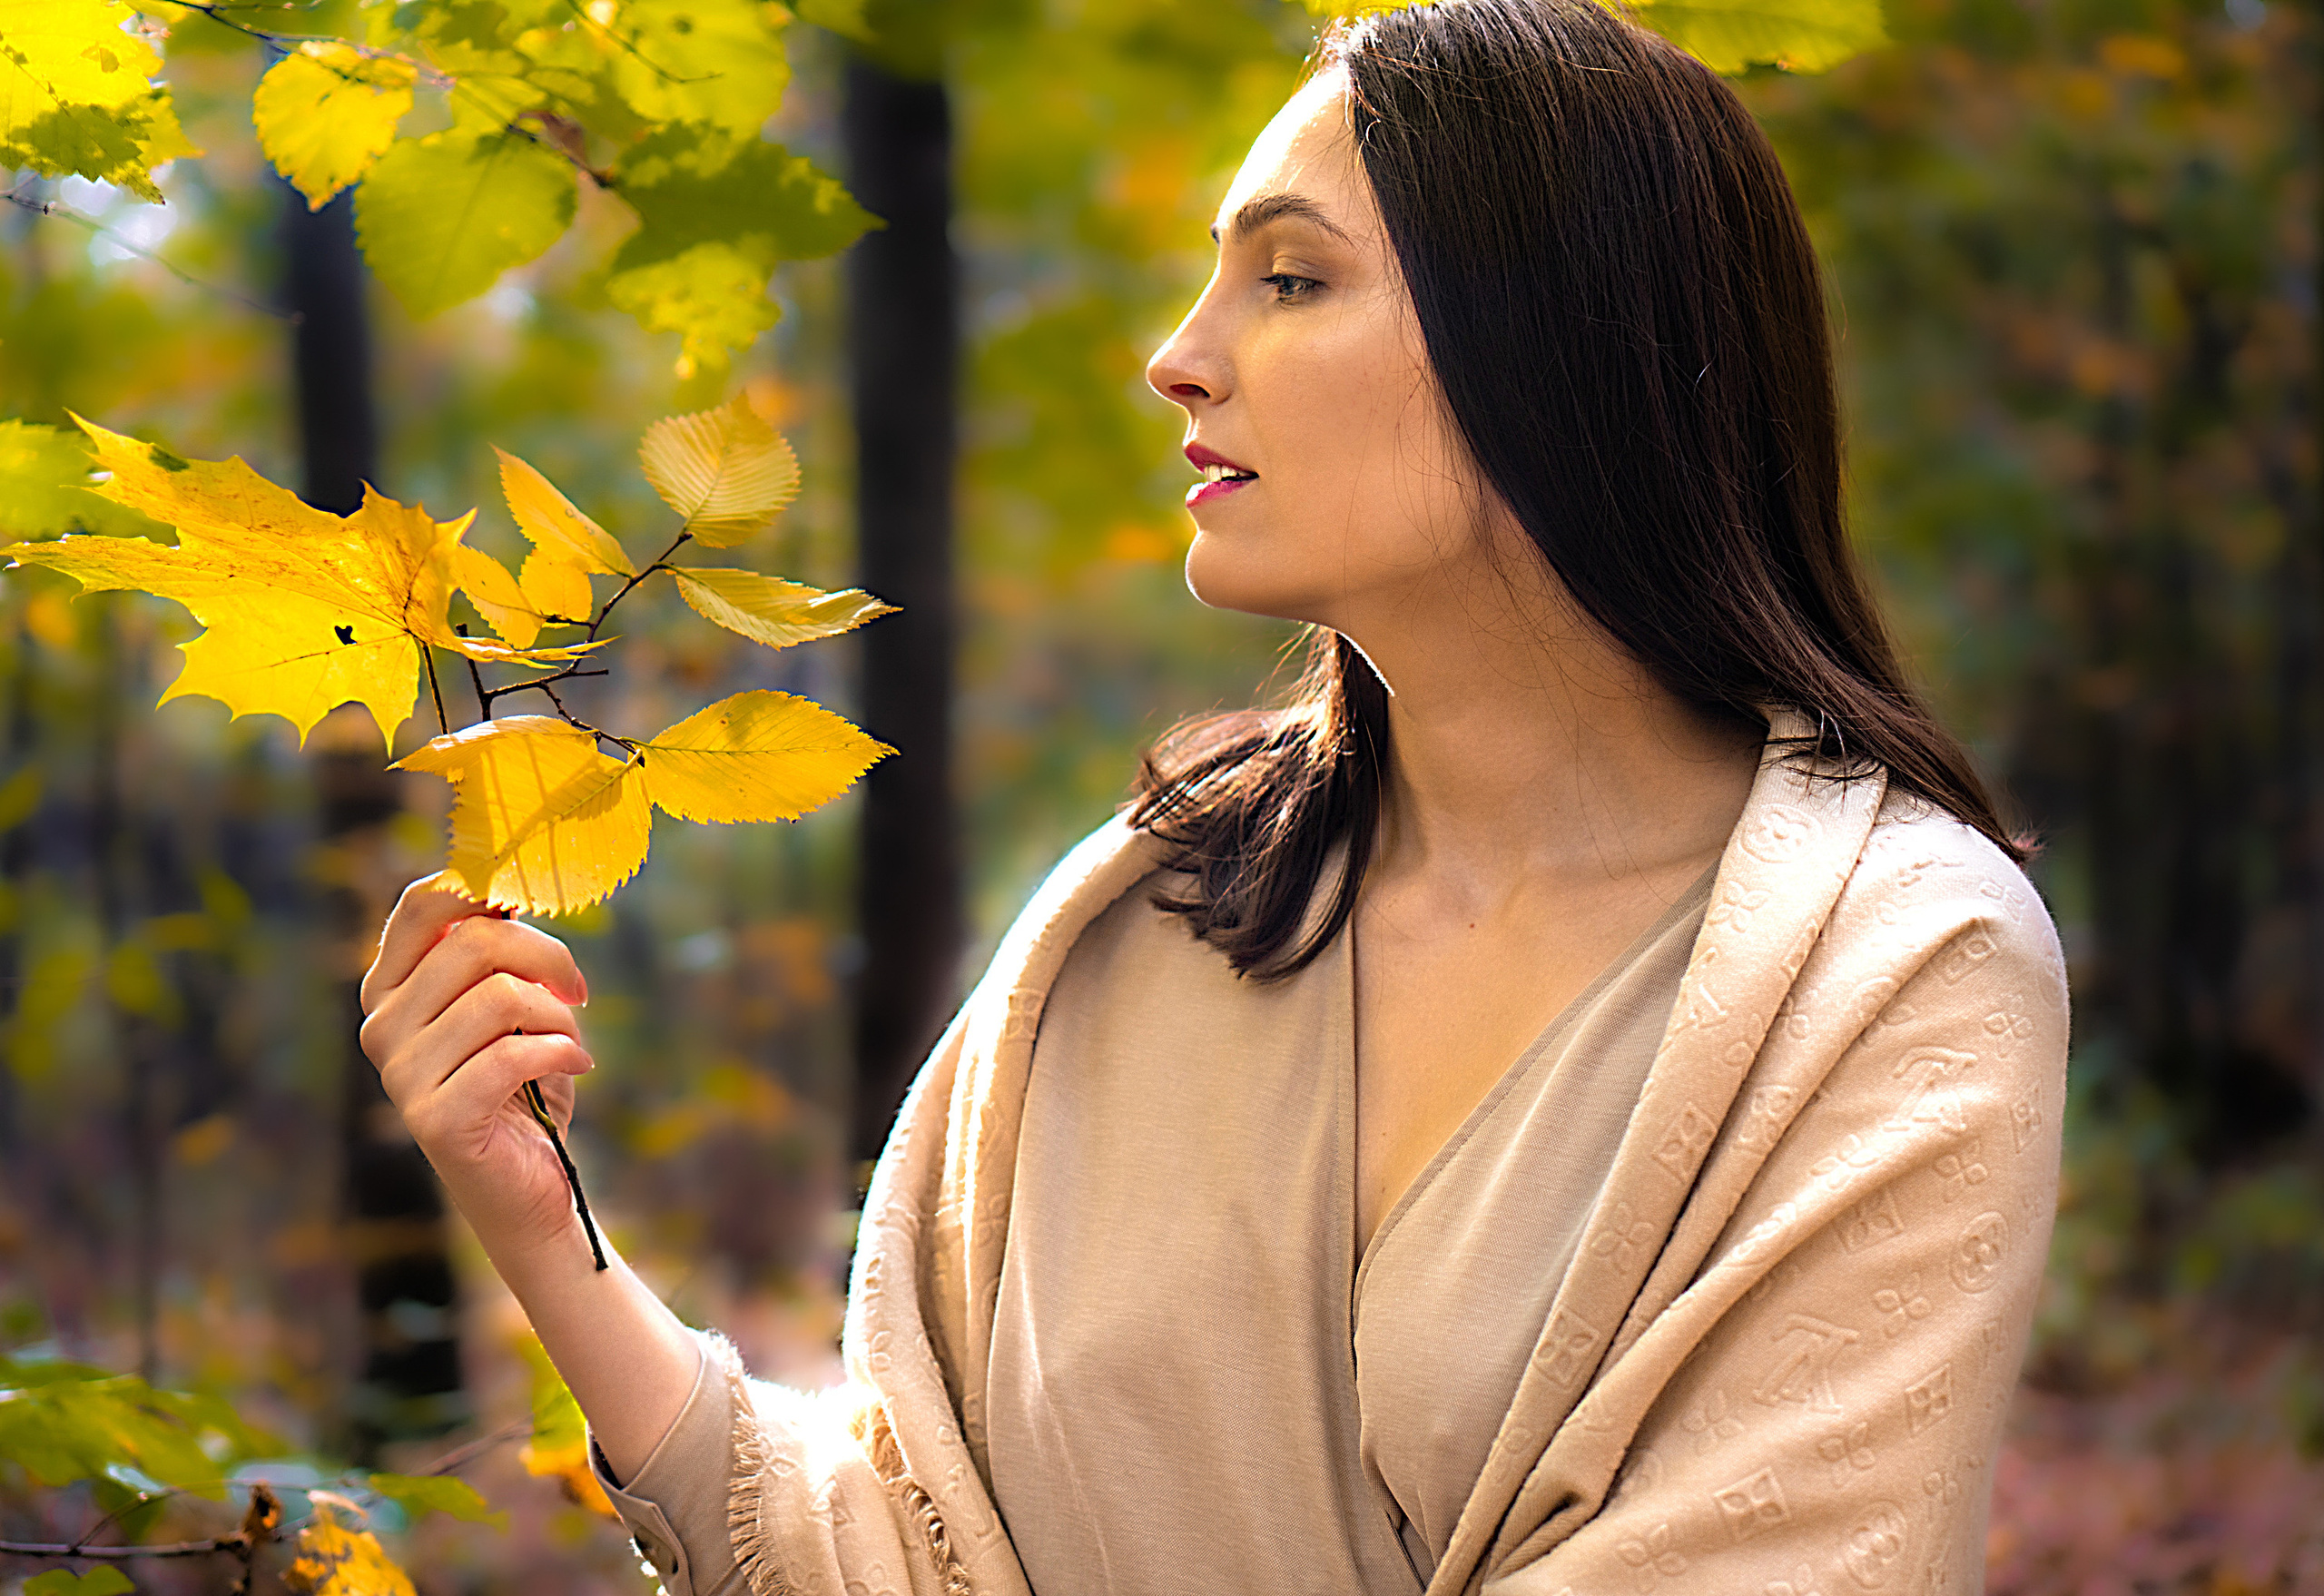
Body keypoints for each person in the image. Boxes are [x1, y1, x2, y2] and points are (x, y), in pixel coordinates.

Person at [357, 1, 2068, 1591]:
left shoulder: (1890, 964)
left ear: (1556, 347)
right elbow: (896, 1545)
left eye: (1294, 280)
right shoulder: (1142, 924)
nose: (1181, 357)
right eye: (1213, 280)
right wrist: (531, 1210)